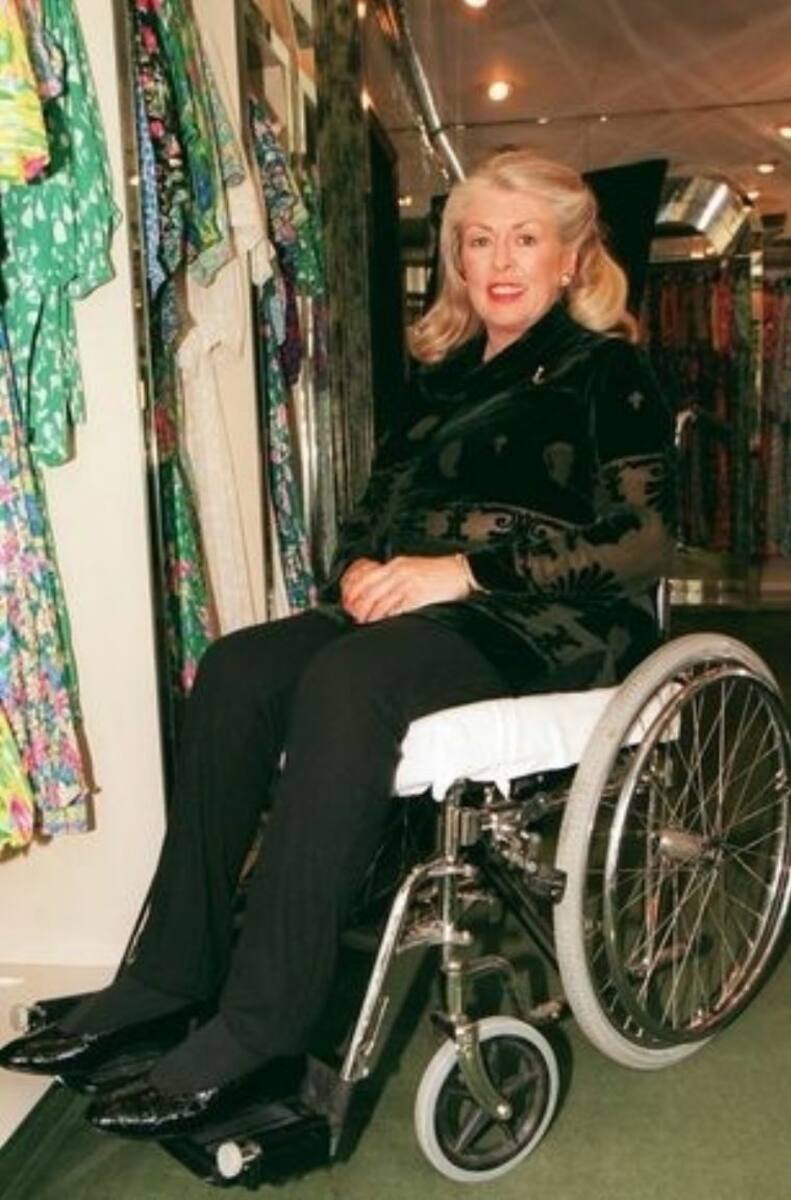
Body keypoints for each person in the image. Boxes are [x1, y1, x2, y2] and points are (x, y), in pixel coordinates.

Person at [0, 149, 675, 1137]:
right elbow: (374, 511)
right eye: (478, 240)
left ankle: (263, 1025)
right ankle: (168, 975)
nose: (499, 261)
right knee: (237, 667)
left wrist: (464, 572)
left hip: (541, 619)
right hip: (420, 607)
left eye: (525, 239)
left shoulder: (606, 369)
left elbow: (642, 541)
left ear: (570, 258)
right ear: (455, 259)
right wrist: (358, 568)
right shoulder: (442, 376)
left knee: (350, 681)